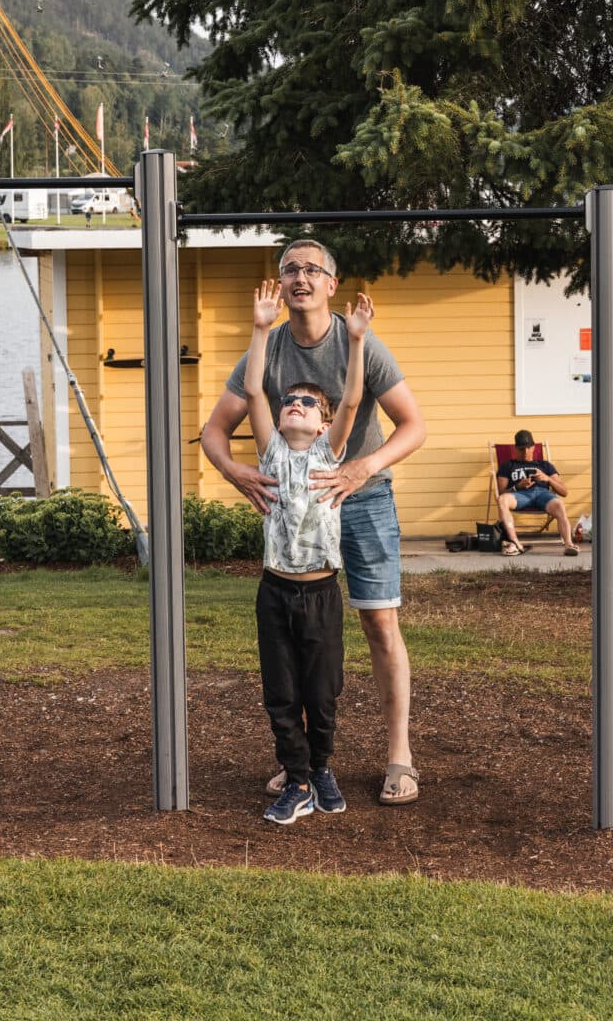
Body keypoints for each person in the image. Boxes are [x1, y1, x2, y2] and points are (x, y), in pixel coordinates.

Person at [201, 239, 426, 806]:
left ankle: (399, 755)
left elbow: (412, 426)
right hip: (297, 510)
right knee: (296, 644)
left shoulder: (362, 346)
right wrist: (236, 473)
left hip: (363, 497)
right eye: (288, 270)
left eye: (311, 269)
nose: (299, 277)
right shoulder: (267, 349)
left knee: (379, 623)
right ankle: (300, 764)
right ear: (280, 285)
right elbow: (215, 430)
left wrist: (362, 467)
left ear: (331, 282)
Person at [246, 278, 367, 824]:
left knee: (322, 693)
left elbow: (356, 398)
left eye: (307, 402)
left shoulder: (328, 453)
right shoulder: (270, 451)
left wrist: (358, 341)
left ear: (322, 422)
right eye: (289, 401)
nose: (294, 405)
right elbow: (253, 392)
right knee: (281, 694)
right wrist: (259, 330)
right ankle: (295, 779)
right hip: (275, 593)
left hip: (321, 593)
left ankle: (321, 766)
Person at [496, 429, 579, 557]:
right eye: (521, 449)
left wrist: (548, 478)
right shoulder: (507, 466)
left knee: (559, 504)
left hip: (542, 494)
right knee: (502, 500)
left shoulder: (545, 465)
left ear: (533, 447)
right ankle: (514, 543)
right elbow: (501, 493)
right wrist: (517, 486)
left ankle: (568, 544)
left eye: (528, 448)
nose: (525, 452)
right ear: (515, 449)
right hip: (519, 495)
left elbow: (564, 492)